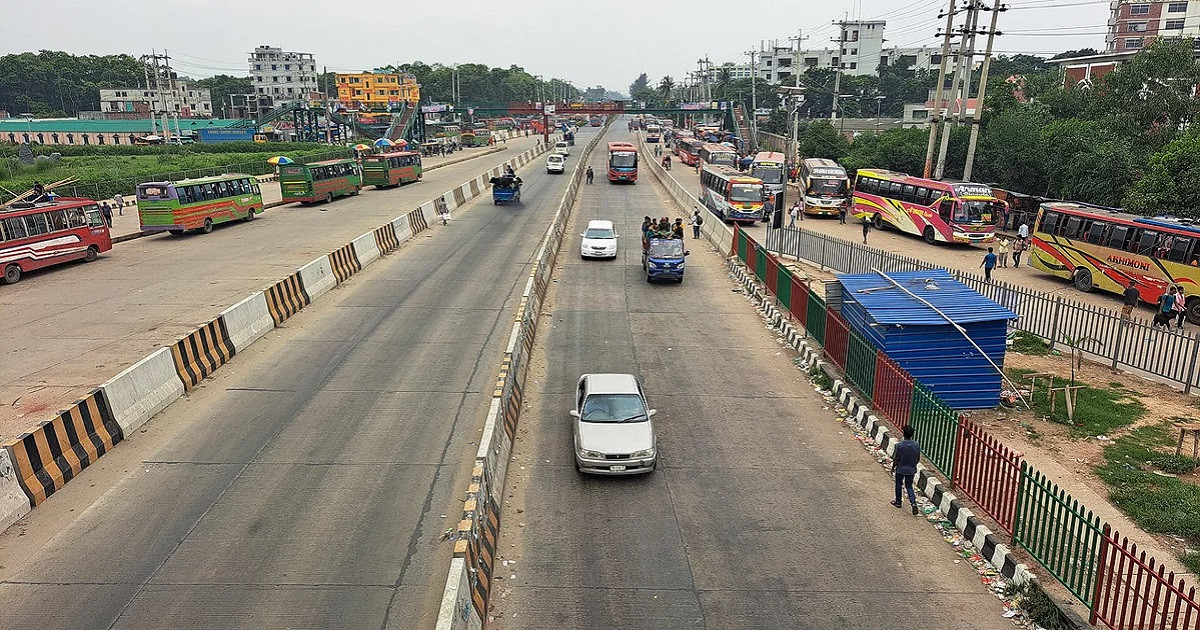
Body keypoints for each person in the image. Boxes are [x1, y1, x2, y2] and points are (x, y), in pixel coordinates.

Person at [891, 425, 921, 516]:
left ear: (903, 434)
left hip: (901, 468)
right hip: (911, 469)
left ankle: (898, 501)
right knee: (909, 486)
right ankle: (913, 503)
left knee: (899, 484)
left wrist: (893, 467)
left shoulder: (899, 445)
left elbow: (896, 458)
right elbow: (918, 458)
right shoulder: (916, 445)